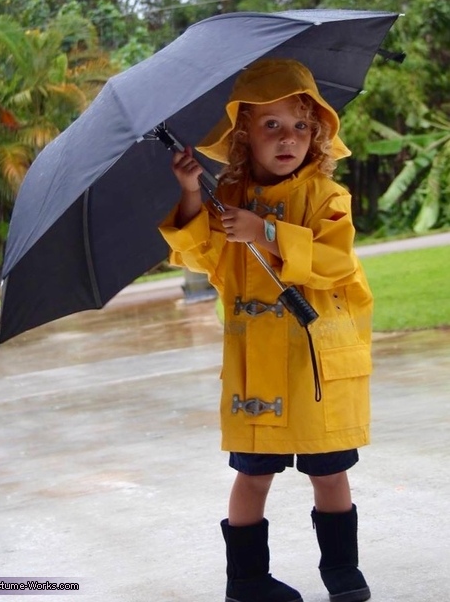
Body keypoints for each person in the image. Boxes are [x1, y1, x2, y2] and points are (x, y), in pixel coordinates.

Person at [159, 59, 373, 602]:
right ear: (243, 137)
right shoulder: (224, 197)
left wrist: (268, 231)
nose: (288, 138)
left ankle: (342, 572)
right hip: (257, 367)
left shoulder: (327, 196)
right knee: (253, 475)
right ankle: (247, 581)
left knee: (329, 471)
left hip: (314, 359)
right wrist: (190, 193)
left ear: (317, 135)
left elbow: (335, 261)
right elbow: (198, 255)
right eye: (271, 125)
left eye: (301, 126)